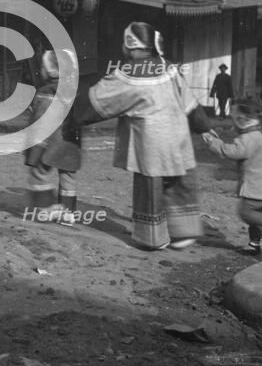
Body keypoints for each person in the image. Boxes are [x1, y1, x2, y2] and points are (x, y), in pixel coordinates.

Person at [74, 22, 212, 250]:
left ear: (130, 45)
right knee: (179, 182)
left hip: (151, 142)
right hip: (178, 136)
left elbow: (97, 102)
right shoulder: (167, 67)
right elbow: (190, 103)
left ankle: (152, 238)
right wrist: (204, 127)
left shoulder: (126, 74)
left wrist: (72, 113)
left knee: (151, 188)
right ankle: (184, 234)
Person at [203, 98, 262, 256]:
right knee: (256, 217)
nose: (232, 123)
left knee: (246, 212)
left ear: (242, 120)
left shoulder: (248, 139)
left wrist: (213, 143)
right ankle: (254, 244)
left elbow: (232, 152)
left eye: (233, 118)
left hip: (257, 188)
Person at [24, 50, 81, 226]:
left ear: (50, 71)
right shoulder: (74, 91)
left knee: (40, 172)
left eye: (43, 66)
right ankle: (68, 213)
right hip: (71, 143)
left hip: (49, 143)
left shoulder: (44, 92)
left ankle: (45, 209)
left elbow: (39, 120)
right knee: (68, 177)